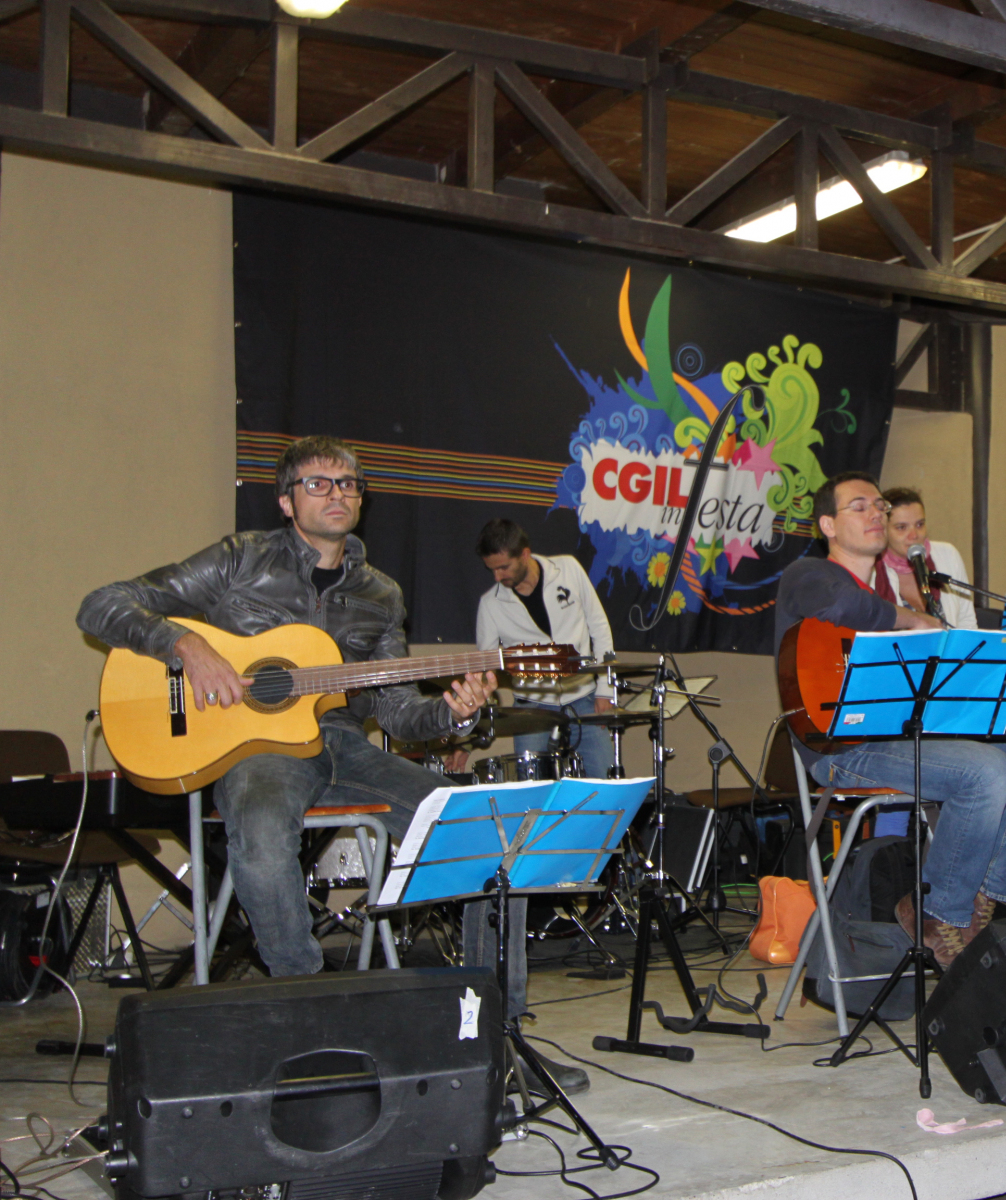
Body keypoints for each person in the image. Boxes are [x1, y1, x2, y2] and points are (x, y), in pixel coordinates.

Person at [76, 437, 582, 1094]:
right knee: (261, 837)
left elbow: (397, 711)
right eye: (318, 484)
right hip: (257, 749)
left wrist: (451, 712)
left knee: (490, 833)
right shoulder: (240, 559)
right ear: (287, 502)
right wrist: (186, 645)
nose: (337, 493)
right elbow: (102, 604)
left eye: (348, 484)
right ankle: (310, 1018)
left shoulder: (380, 594)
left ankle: (495, 1037)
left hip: (343, 746)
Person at [773, 471, 1006, 967]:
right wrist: (911, 618)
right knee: (985, 770)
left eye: (879, 506)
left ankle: (986, 897)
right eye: (860, 506)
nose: (876, 513)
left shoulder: (888, 591)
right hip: (841, 748)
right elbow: (841, 604)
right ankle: (937, 912)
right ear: (827, 525)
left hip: (904, 734)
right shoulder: (808, 576)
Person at [475, 518, 616, 772]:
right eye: (491, 570)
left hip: (583, 696)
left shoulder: (569, 569)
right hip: (531, 707)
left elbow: (600, 627)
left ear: (524, 554)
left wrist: (605, 690)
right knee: (534, 788)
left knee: (603, 780)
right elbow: (485, 669)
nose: (497, 576)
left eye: (504, 567)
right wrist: (467, 735)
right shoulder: (490, 604)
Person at [876, 486, 978, 629]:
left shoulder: (947, 554)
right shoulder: (871, 570)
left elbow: (967, 621)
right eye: (901, 527)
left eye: (920, 524)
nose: (914, 535)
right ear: (883, 529)